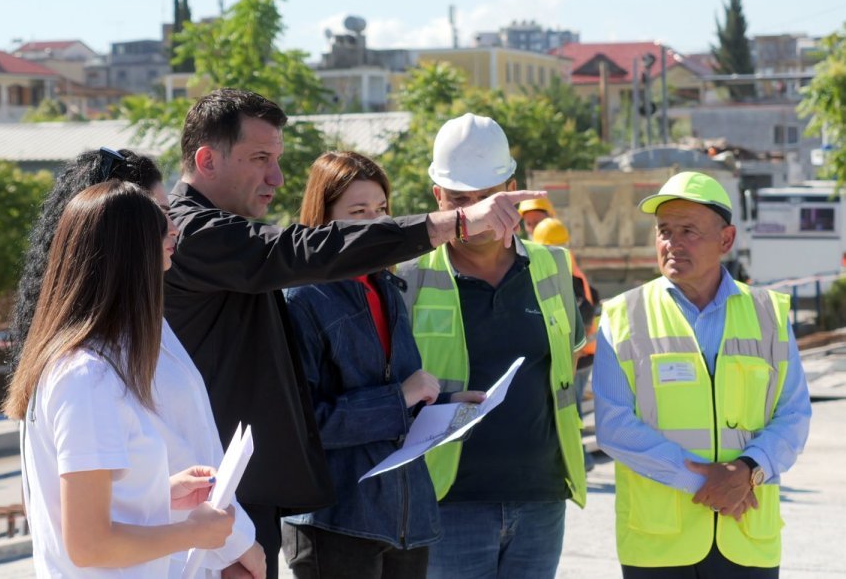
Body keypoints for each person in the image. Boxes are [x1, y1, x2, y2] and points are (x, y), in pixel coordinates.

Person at [163, 88, 543, 577]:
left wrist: (439, 403)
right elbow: (298, 254)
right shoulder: (191, 232)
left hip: (244, 497)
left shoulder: (380, 287)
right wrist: (454, 224)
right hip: (221, 498)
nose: (275, 178)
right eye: (260, 158)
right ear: (206, 160)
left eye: (277, 160)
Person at [8, 148, 264, 579]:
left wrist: (162, 496)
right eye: (159, 221)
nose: (174, 230)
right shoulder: (86, 374)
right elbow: (90, 543)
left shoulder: (89, 363)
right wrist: (193, 532)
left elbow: (87, 505)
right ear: (128, 251)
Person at [593, 171, 812, 577]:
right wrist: (708, 483)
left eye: (689, 231)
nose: (672, 243)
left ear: (725, 240)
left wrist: (748, 470)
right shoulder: (623, 316)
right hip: (658, 543)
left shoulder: (768, 315)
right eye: (664, 231)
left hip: (745, 537)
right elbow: (614, 425)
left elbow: (794, 415)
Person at [397, 113, 587, 579]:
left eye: (487, 198)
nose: (477, 213)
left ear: (514, 189)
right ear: (436, 197)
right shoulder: (407, 277)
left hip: (541, 500)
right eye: (461, 200)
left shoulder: (554, 267)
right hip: (446, 503)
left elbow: (569, 364)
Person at [280, 151, 486, 578]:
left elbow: (393, 391)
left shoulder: (386, 285)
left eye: (381, 211)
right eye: (358, 213)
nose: (375, 224)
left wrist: (444, 403)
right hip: (335, 524)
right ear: (323, 219)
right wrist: (401, 398)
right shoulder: (301, 298)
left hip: (406, 520)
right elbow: (302, 426)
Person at [532, 216, 599, 472]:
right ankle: (580, 458)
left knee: (572, 408)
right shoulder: (571, 269)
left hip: (578, 357)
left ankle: (582, 459)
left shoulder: (563, 273)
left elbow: (581, 314)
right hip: (583, 355)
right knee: (573, 406)